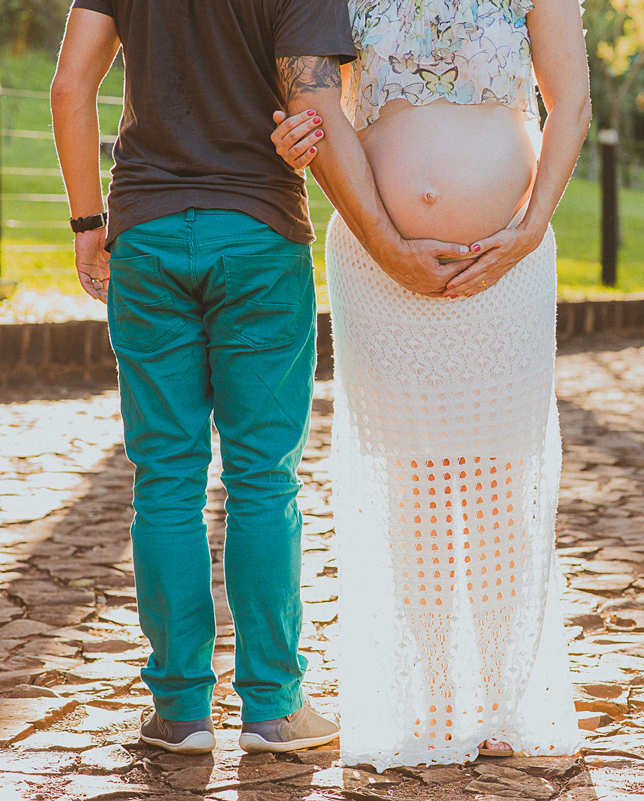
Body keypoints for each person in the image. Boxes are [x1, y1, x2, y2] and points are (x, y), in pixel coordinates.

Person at [51, 0, 470, 754]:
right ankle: (274, 707)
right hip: (259, 236)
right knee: (262, 481)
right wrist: (387, 237)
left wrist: (88, 226)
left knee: (165, 477)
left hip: (145, 234)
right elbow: (314, 104)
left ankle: (178, 712)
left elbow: (69, 85)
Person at [268, 0, 591, 768]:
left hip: (506, 265)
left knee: (498, 480)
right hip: (378, 272)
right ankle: (433, 696)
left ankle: (504, 695)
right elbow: (309, 100)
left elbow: (570, 102)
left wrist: (530, 227)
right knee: (409, 485)